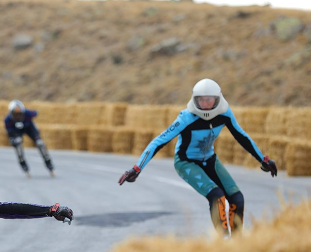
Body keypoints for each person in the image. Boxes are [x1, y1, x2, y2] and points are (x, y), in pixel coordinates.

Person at [118, 78, 277, 238]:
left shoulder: (225, 113)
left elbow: (241, 136)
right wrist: (137, 168)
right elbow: (159, 141)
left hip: (210, 160)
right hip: (186, 162)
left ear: (217, 99)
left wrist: (263, 160)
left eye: (209, 100)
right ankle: (224, 243)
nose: (205, 104)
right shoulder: (186, 117)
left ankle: (237, 243)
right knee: (217, 196)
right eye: (200, 100)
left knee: (237, 198)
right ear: (194, 100)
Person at [4, 100, 55, 177]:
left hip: (29, 128)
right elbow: (10, 133)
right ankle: (23, 165)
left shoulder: (27, 113)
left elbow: (35, 113)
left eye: (20, 114)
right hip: (16, 131)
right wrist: (14, 141)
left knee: (40, 143)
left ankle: (49, 163)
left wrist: (36, 132)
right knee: (18, 145)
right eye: (15, 114)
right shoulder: (8, 120)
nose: (18, 116)